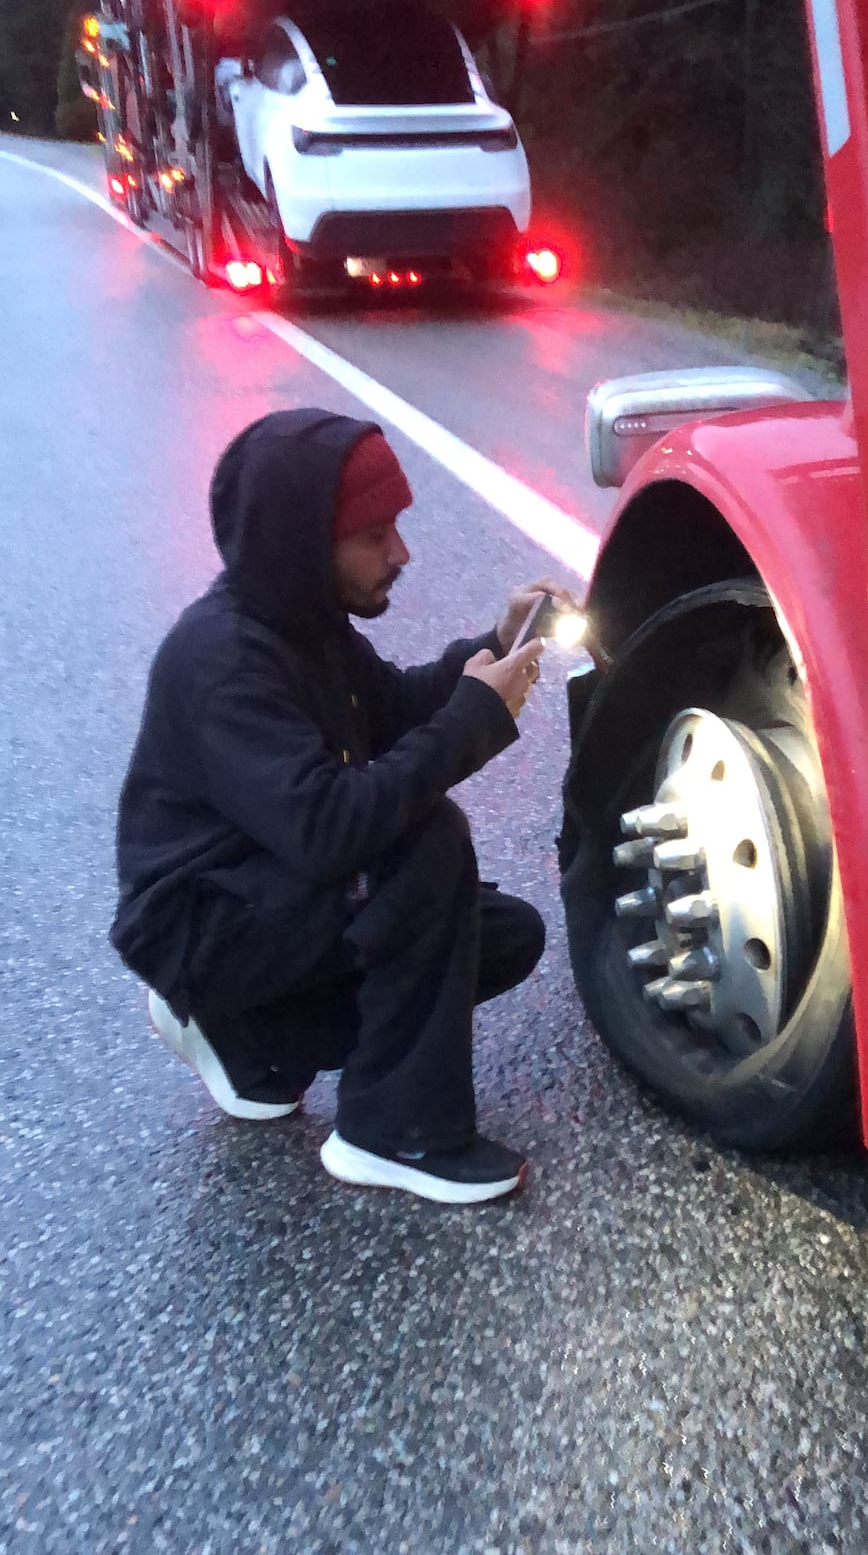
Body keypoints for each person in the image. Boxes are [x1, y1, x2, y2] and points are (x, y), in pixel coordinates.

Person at [110, 407, 574, 1205]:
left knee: (499, 937)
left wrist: (490, 649)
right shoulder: (222, 660)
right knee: (428, 847)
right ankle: (393, 1132)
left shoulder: (306, 621)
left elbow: (394, 705)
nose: (400, 551)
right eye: (374, 534)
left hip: (267, 891)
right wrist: (472, 720)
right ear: (301, 541)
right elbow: (329, 831)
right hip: (199, 919)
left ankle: (247, 1033)